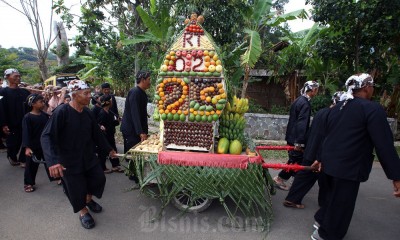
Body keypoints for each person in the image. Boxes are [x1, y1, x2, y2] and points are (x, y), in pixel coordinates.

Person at [311, 73, 400, 240]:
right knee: (341, 206)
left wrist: (320, 158)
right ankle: (325, 235)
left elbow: (326, 136)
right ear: (367, 88)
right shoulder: (372, 109)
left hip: (329, 165)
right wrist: (396, 176)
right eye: (372, 86)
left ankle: (321, 221)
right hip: (348, 168)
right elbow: (384, 145)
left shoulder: (337, 108)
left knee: (331, 199)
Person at [41, 80, 117, 229]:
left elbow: (97, 134)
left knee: (98, 178)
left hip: (88, 156)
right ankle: (83, 211)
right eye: (86, 93)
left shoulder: (87, 112)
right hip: (68, 160)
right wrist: (53, 161)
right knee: (76, 188)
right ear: (75, 95)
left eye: (89, 92)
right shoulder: (61, 112)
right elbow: (46, 136)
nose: (90, 96)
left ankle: (88, 199)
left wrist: (109, 149)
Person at [283, 91, 345, 209]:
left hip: (310, 149)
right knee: (325, 181)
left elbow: (311, 130)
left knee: (304, 176)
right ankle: (324, 205)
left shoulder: (321, 112)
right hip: (321, 153)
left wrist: (304, 145)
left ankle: (292, 199)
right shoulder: (336, 116)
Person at [273, 80, 319, 190]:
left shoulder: (298, 100)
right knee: (297, 161)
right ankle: (282, 179)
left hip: (291, 136)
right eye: (316, 90)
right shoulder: (305, 104)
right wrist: (299, 142)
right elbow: (301, 123)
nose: (317, 92)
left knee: (295, 160)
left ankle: (288, 180)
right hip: (296, 139)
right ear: (312, 90)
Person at [120, 70, 151, 186]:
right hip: (131, 130)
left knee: (137, 154)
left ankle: (136, 174)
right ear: (142, 80)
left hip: (136, 129)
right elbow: (134, 113)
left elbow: (139, 110)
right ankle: (134, 176)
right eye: (149, 80)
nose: (150, 82)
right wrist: (141, 132)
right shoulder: (135, 92)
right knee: (133, 153)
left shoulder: (141, 92)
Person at [22, 94, 52, 192]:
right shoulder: (28, 117)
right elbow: (26, 133)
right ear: (33, 104)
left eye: (43, 101)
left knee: (50, 161)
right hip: (33, 146)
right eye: (41, 102)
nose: (43, 103)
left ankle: (56, 177)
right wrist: (27, 147)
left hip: (45, 145)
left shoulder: (44, 115)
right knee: (31, 166)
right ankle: (28, 183)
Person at [0, 69, 30, 167]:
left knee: (25, 141)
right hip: (11, 122)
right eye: (15, 76)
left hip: (24, 121)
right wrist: (3, 124)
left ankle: (23, 159)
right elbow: (1, 109)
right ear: (7, 77)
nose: (18, 78)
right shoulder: (3, 92)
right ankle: (12, 156)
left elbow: (30, 105)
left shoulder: (24, 92)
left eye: (19, 76)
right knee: (13, 143)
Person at [97, 94, 123, 173]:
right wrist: (101, 126)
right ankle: (102, 168)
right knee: (103, 152)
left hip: (110, 134)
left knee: (113, 149)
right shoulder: (102, 113)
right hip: (105, 136)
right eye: (111, 100)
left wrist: (117, 121)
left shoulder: (110, 112)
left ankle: (115, 165)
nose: (112, 102)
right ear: (107, 102)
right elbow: (99, 124)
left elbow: (112, 123)